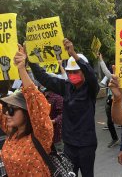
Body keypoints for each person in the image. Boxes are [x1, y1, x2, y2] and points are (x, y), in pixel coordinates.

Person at [28, 39, 99, 177]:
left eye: (76, 72)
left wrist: (73, 53)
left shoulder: (91, 89)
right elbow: (45, 78)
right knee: (69, 174)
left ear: (83, 72)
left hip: (86, 145)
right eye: (70, 72)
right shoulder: (66, 87)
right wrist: (30, 60)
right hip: (69, 144)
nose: (72, 75)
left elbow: (91, 76)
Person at [0, 45, 53, 176]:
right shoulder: (11, 130)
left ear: (27, 112)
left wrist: (22, 69)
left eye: (12, 109)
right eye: (6, 108)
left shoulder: (41, 135)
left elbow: (35, 101)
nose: (6, 113)